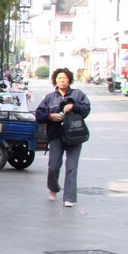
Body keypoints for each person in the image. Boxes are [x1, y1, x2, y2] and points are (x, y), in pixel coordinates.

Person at [35, 68, 92, 207]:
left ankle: (69, 198)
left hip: (74, 136)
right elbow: (39, 114)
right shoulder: (49, 97)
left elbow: (86, 110)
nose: (62, 80)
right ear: (55, 80)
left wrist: (73, 106)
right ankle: (53, 189)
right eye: (59, 78)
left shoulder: (78, 95)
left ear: (69, 80)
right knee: (53, 166)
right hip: (56, 136)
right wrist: (50, 116)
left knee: (72, 167)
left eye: (64, 78)